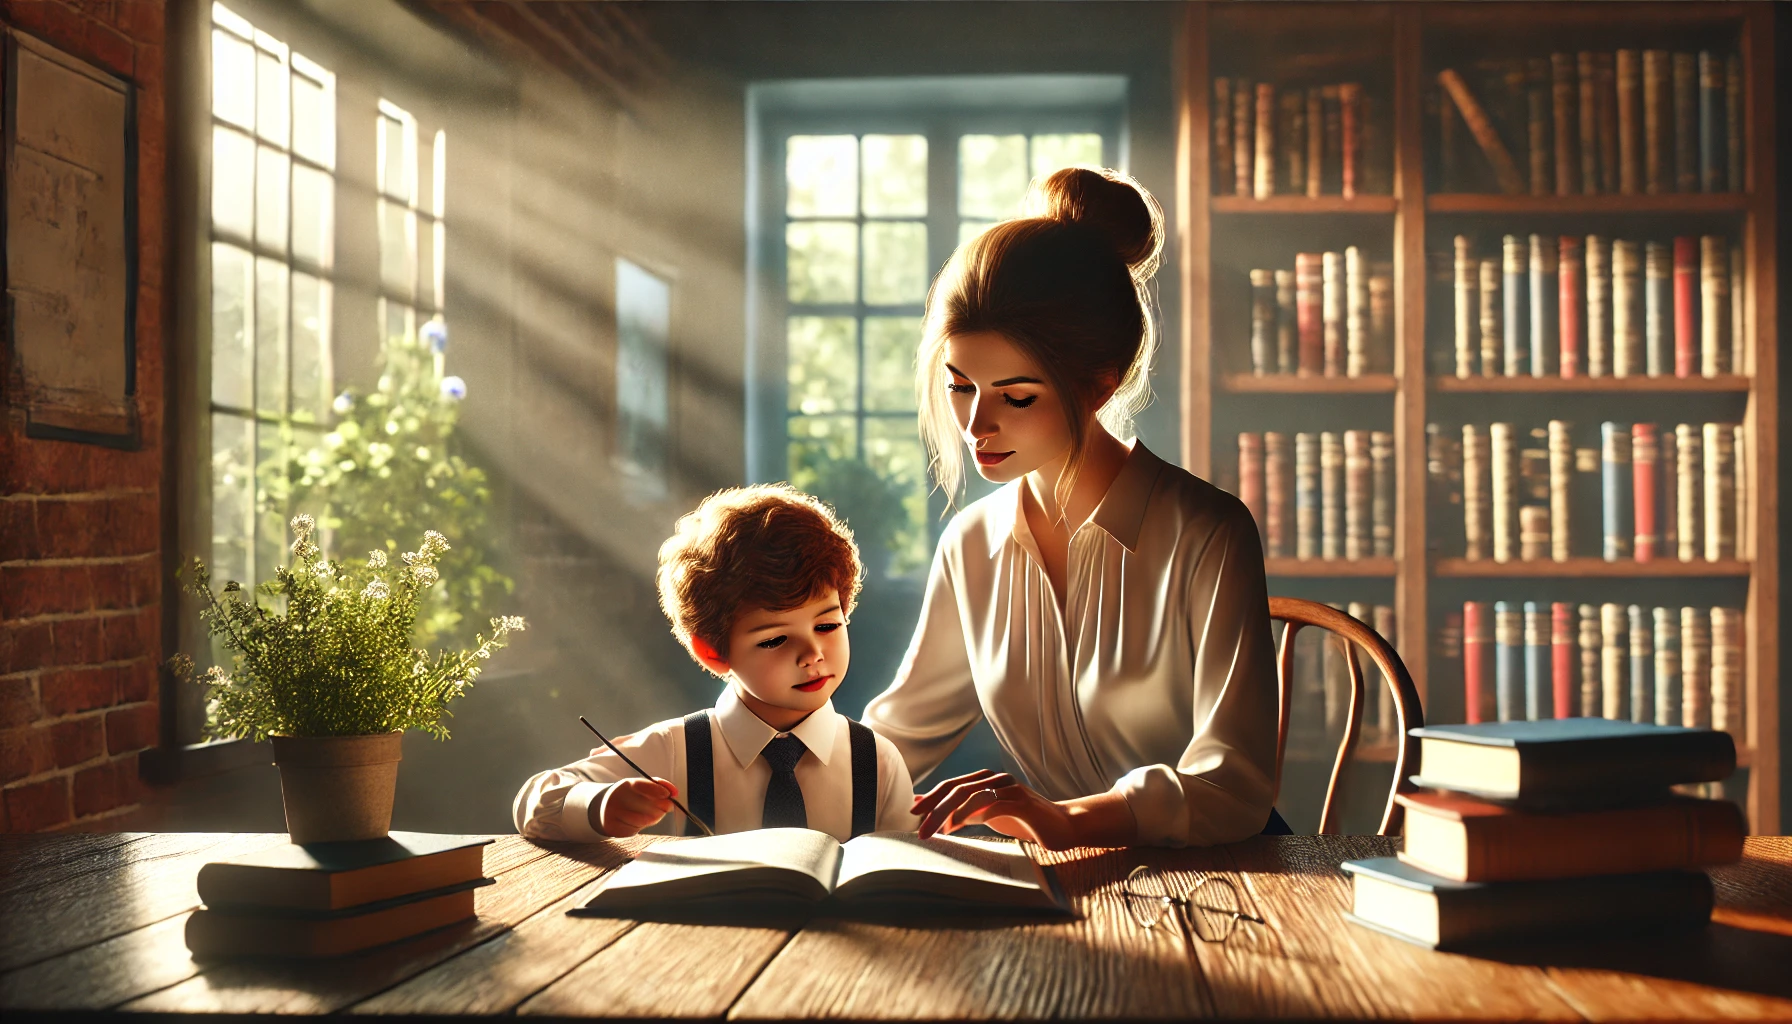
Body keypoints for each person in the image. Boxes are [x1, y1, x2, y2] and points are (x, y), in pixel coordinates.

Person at [862, 166, 1282, 850]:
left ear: (1098, 385)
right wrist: (716, 749)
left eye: (1016, 396)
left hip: (1224, 880)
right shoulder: (971, 545)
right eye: (961, 387)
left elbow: (1232, 785)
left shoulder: (1206, 532)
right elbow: (894, 742)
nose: (976, 426)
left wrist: (1067, 819)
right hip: (1062, 879)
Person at [514, 484, 919, 841]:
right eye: (775, 639)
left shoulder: (878, 762)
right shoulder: (674, 751)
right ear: (712, 651)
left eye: (828, 624)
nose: (812, 654)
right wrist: (597, 804)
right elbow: (535, 799)